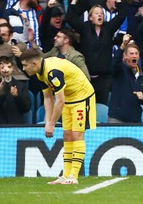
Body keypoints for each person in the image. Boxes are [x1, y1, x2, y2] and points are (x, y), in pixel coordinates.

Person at [20, 47, 96, 185]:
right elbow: (48, 98)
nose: (24, 68)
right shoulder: (40, 73)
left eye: (25, 65)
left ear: (35, 63)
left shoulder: (52, 72)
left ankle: (73, 176)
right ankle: (66, 175)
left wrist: (52, 124)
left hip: (82, 96)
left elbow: (59, 101)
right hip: (68, 98)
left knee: (77, 135)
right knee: (67, 135)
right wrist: (48, 121)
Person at [108, 34, 143, 123]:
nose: (134, 56)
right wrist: (123, 45)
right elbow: (115, 62)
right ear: (125, 56)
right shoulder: (120, 70)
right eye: (131, 53)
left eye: (136, 54)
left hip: (134, 120)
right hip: (117, 118)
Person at [0, 56, 30, 124]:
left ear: (13, 68)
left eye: (9, 67)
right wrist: (0, 92)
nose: (6, 70)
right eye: (2, 67)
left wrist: (17, 96)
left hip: (16, 126)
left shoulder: (21, 86)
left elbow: (26, 108)